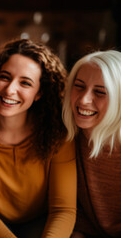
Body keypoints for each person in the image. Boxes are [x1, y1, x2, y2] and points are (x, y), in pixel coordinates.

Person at [0, 39, 76, 238]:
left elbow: (63, 210)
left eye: (25, 83)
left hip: (41, 225)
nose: (10, 89)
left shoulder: (58, 134)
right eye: (5, 77)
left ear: (39, 93)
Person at [62, 50, 121, 238]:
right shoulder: (67, 139)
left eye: (100, 92)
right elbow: (72, 209)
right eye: (79, 86)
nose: (84, 100)